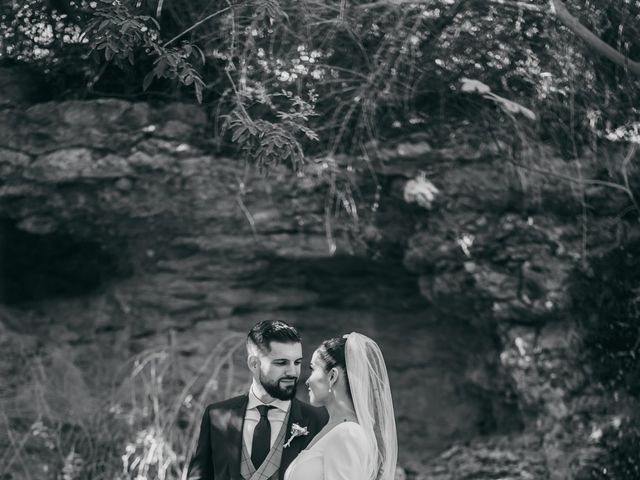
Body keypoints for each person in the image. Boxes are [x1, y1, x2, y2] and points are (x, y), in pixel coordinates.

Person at [187, 320, 328, 480]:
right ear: (254, 364)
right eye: (281, 363)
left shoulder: (319, 420)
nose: (293, 372)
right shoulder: (216, 415)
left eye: (297, 362)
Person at [284, 333, 398, 480]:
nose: (307, 381)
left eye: (313, 369)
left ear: (332, 376)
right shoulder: (334, 430)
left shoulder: (348, 434)